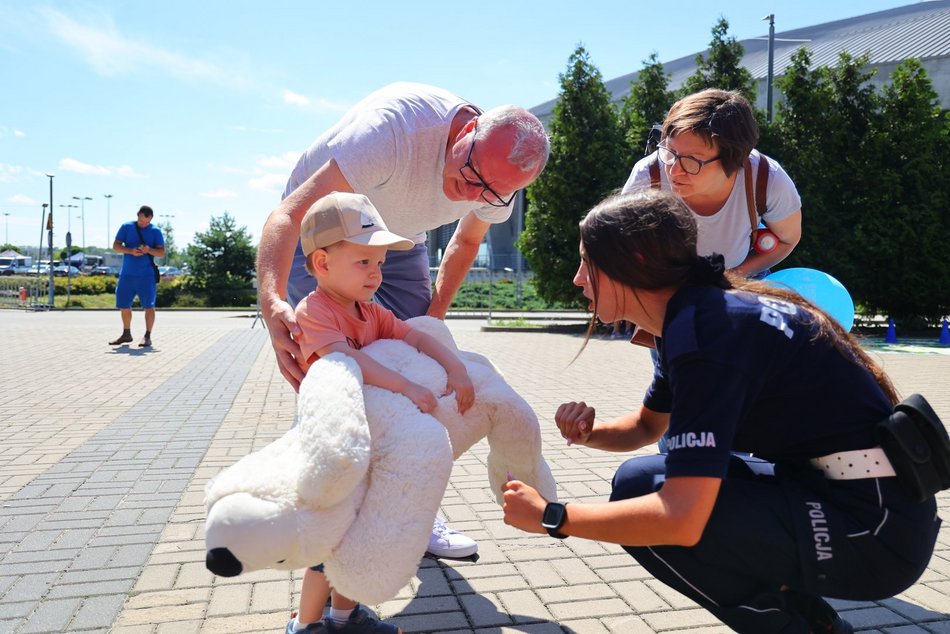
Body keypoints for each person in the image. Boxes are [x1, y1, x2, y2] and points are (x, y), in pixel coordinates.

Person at [501, 190, 940, 634]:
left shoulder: (709, 336)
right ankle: (811, 622)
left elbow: (682, 518)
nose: (578, 279)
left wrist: (552, 517)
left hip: (877, 533)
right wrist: (589, 432)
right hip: (848, 499)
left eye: (586, 263)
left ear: (631, 258)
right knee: (636, 482)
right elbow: (646, 427)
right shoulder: (699, 313)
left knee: (657, 514)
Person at [257, 83, 548, 567]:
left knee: (423, 376)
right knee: (333, 381)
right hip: (326, 230)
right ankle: (323, 514)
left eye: (490, 191)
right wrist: (270, 302)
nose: (471, 194)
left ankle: (413, 509)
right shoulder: (392, 132)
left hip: (398, 240)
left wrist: (430, 324)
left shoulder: (499, 183)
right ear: (468, 130)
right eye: (471, 173)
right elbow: (289, 213)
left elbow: (465, 243)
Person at [286, 191, 475, 634]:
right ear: (322, 263)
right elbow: (347, 360)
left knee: (359, 536)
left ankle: (344, 616)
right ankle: (306, 625)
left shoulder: (369, 310)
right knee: (329, 542)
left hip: (373, 447)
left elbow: (416, 337)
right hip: (333, 449)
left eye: (379, 262)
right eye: (363, 262)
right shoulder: (314, 312)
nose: (376, 273)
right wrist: (407, 386)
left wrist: (455, 366)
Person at [622, 88, 802, 279]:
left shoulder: (767, 179)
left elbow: (786, 239)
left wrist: (730, 278)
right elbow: (620, 247)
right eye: (670, 151)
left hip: (739, 279)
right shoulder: (648, 176)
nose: (674, 170)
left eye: (692, 161)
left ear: (734, 161)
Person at [109, 205, 165, 348]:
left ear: (151, 219)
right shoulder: (126, 227)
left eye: (147, 222)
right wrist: (130, 251)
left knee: (149, 306)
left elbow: (161, 253)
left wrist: (149, 250)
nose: (143, 224)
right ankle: (126, 334)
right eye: (141, 221)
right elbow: (116, 246)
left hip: (146, 275)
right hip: (127, 274)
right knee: (123, 305)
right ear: (137, 215)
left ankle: (147, 336)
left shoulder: (155, 231)